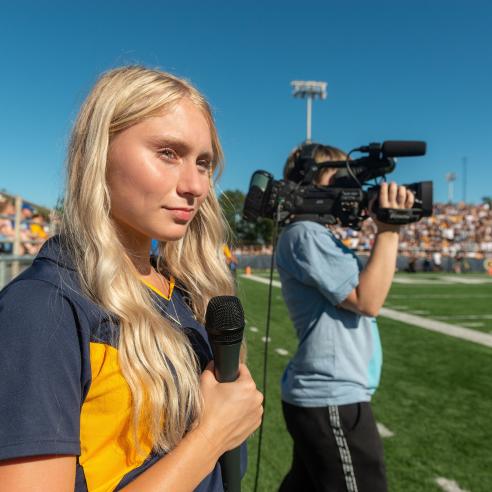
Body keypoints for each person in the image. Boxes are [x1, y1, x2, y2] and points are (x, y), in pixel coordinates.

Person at [0, 66, 263, 491]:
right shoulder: (43, 310)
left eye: (204, 162)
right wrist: (212, 437)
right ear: (97, 153)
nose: (195, 185)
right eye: (167, 153)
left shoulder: (177, 290)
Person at [276, 143, 414, 492]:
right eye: (340, 177)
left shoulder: (311, 234)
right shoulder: (305, 233)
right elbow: (367, 300)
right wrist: (389, 230)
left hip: (326, 394)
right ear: (312, 181)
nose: (349, 187)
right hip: (330, 396)